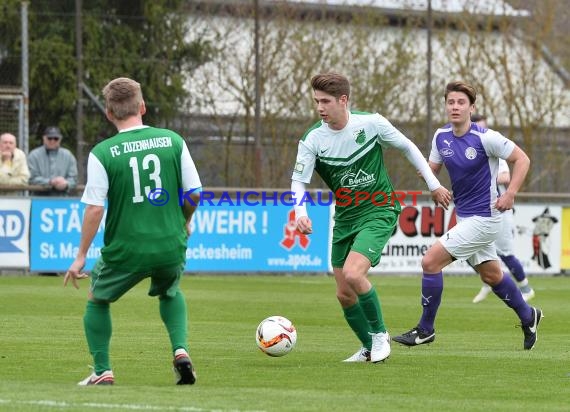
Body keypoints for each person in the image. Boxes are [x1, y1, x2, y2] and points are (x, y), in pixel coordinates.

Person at [291, 72, 451, 363]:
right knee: (344, 293)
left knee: (354, 273)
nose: (319, 108)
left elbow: (408, 147)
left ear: (343, 100)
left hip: (379, 209)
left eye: (325, 101)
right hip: (345, 217)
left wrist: (434, 184)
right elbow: (298, 181)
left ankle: (380, 336)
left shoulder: (371, 123)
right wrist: (300, 213)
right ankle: (368, 347)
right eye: (316, 101)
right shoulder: (313, 139)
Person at [64, 77, 202, 386]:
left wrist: (80, 255)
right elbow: (194, 192)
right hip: (170, 243)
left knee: (97, 298)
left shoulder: (103, 152)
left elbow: (95, 209)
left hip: (126, 248)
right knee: (170, 291)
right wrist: (183, 220)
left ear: (109, 113)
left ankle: (102, 370)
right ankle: (180, 350)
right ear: (142, 107)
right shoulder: (172, 140)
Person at [393, 81, 543, 350]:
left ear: (472, 107)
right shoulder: (441, 137)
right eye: (451, 102)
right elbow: (431, 170)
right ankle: (528, 315)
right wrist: (432, 183)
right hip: (465, 217)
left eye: (461, 102)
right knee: (492, 275)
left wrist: (510, 194)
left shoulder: (486, 137)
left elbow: (523, 159)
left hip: (486, 218)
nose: (455, 107)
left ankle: (425, 329)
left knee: (430, 262)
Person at [469, 114, 535, 303]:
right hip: (478, 210)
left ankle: (526, 288)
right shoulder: (470, 152)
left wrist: (484, 179)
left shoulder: (493, 149)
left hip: (499, 209)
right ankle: (488, 281)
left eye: (482, 126)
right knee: (471, 250)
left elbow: (506, 177)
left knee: (505, 253)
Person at [27, 126, 78, 196]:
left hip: (62, 200)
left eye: (56, 138)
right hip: (38, 200)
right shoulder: (34, 155)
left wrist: (66, 183)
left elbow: (74, 179)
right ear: (44, 138)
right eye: (49, 138)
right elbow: (30, 178)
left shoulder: (68, 155)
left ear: (60, 139)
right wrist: (50, 182)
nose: (52, 141)